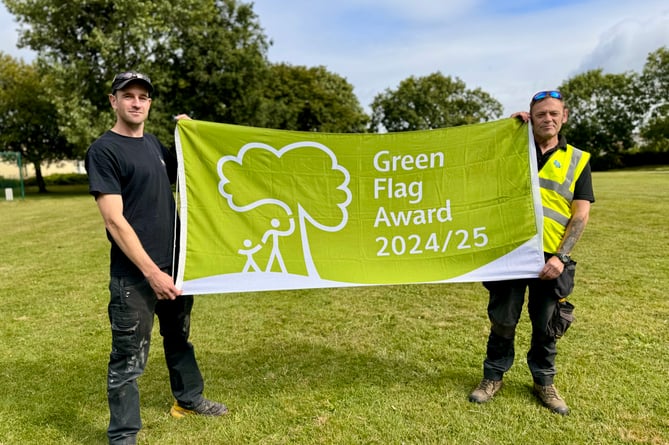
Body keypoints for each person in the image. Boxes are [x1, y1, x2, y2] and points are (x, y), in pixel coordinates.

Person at [85, 71, 228, 445]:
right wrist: (151, 273)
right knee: (128, 358)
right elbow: (114, 221)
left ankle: (189, 400)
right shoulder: (104, 150)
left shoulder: (153, 145)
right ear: (113, 101)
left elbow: (187, 170)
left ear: (150, 103)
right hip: (136, 276)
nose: (136, 103)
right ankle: (123, 436)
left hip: (175, 265)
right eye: (128, 95)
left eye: (143, 97)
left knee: (179, 338)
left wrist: (189, 136)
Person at [468, 90, 595, 415]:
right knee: (503, 321)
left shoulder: (578, 160)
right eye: (541, 114)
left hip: (551, 260)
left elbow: (580, 214)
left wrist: (560, 257)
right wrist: (505, 132)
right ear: (532, 117)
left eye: (554, 113)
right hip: (511, 253)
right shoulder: (512, 150)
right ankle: (492, 377)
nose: (548, 119)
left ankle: (544, 382)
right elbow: (474, 162)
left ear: (564, 117)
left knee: (545, 326)